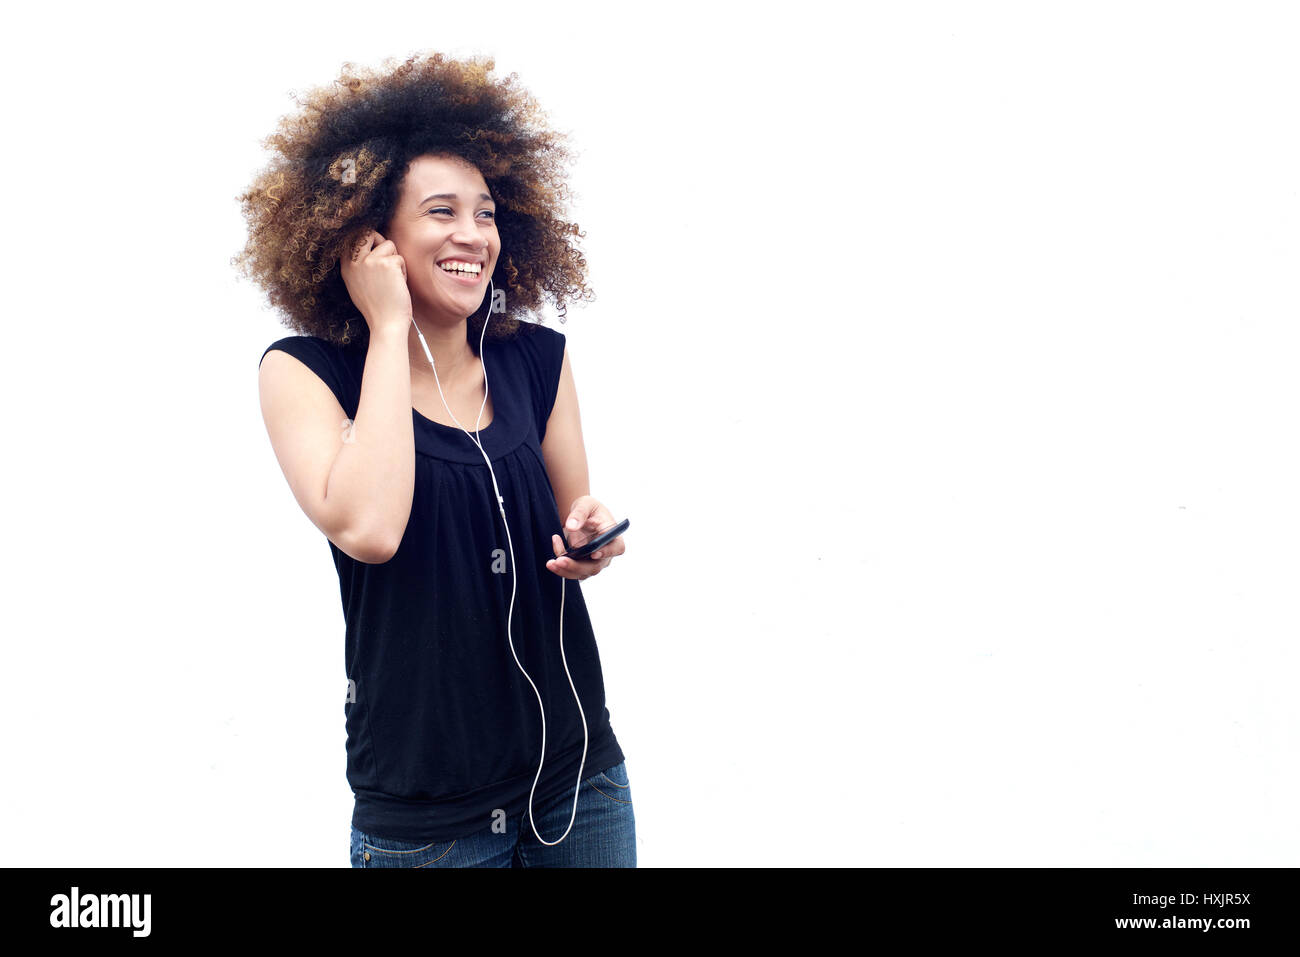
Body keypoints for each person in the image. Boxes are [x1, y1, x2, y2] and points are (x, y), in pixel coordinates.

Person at [234, 52, 635, 867]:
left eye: (486, 214)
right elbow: (372, 528)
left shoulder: (538, 361)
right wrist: (386, 327)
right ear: (371, 237)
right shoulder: (308, 374)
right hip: (428, 822)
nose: (472, 235)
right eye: (442, 212)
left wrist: (589, 535)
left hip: (576, 783)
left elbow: (572, 515)